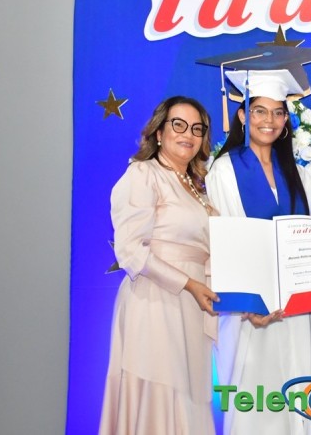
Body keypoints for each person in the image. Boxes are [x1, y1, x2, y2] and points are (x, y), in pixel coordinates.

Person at [205, 70, 311, 435]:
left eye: (278, 112)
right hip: (254, 315)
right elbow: (224, 242)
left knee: (307, 405)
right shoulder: (224, 171)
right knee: (263, 410)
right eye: (260, 111)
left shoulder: (301, 173)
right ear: (243, 116)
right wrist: (248, 305)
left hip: (302, 313)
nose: (270, 120)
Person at [99, 96, 219, 435]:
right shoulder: (143, 174)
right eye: (178, 125)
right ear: (159, 132)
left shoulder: (200, 189)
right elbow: (130, 250)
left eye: (197, 129)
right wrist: (189, 284)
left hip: (194, 307)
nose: (188, 134)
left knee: (189, 400)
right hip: (155, 301)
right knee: (161, 396)